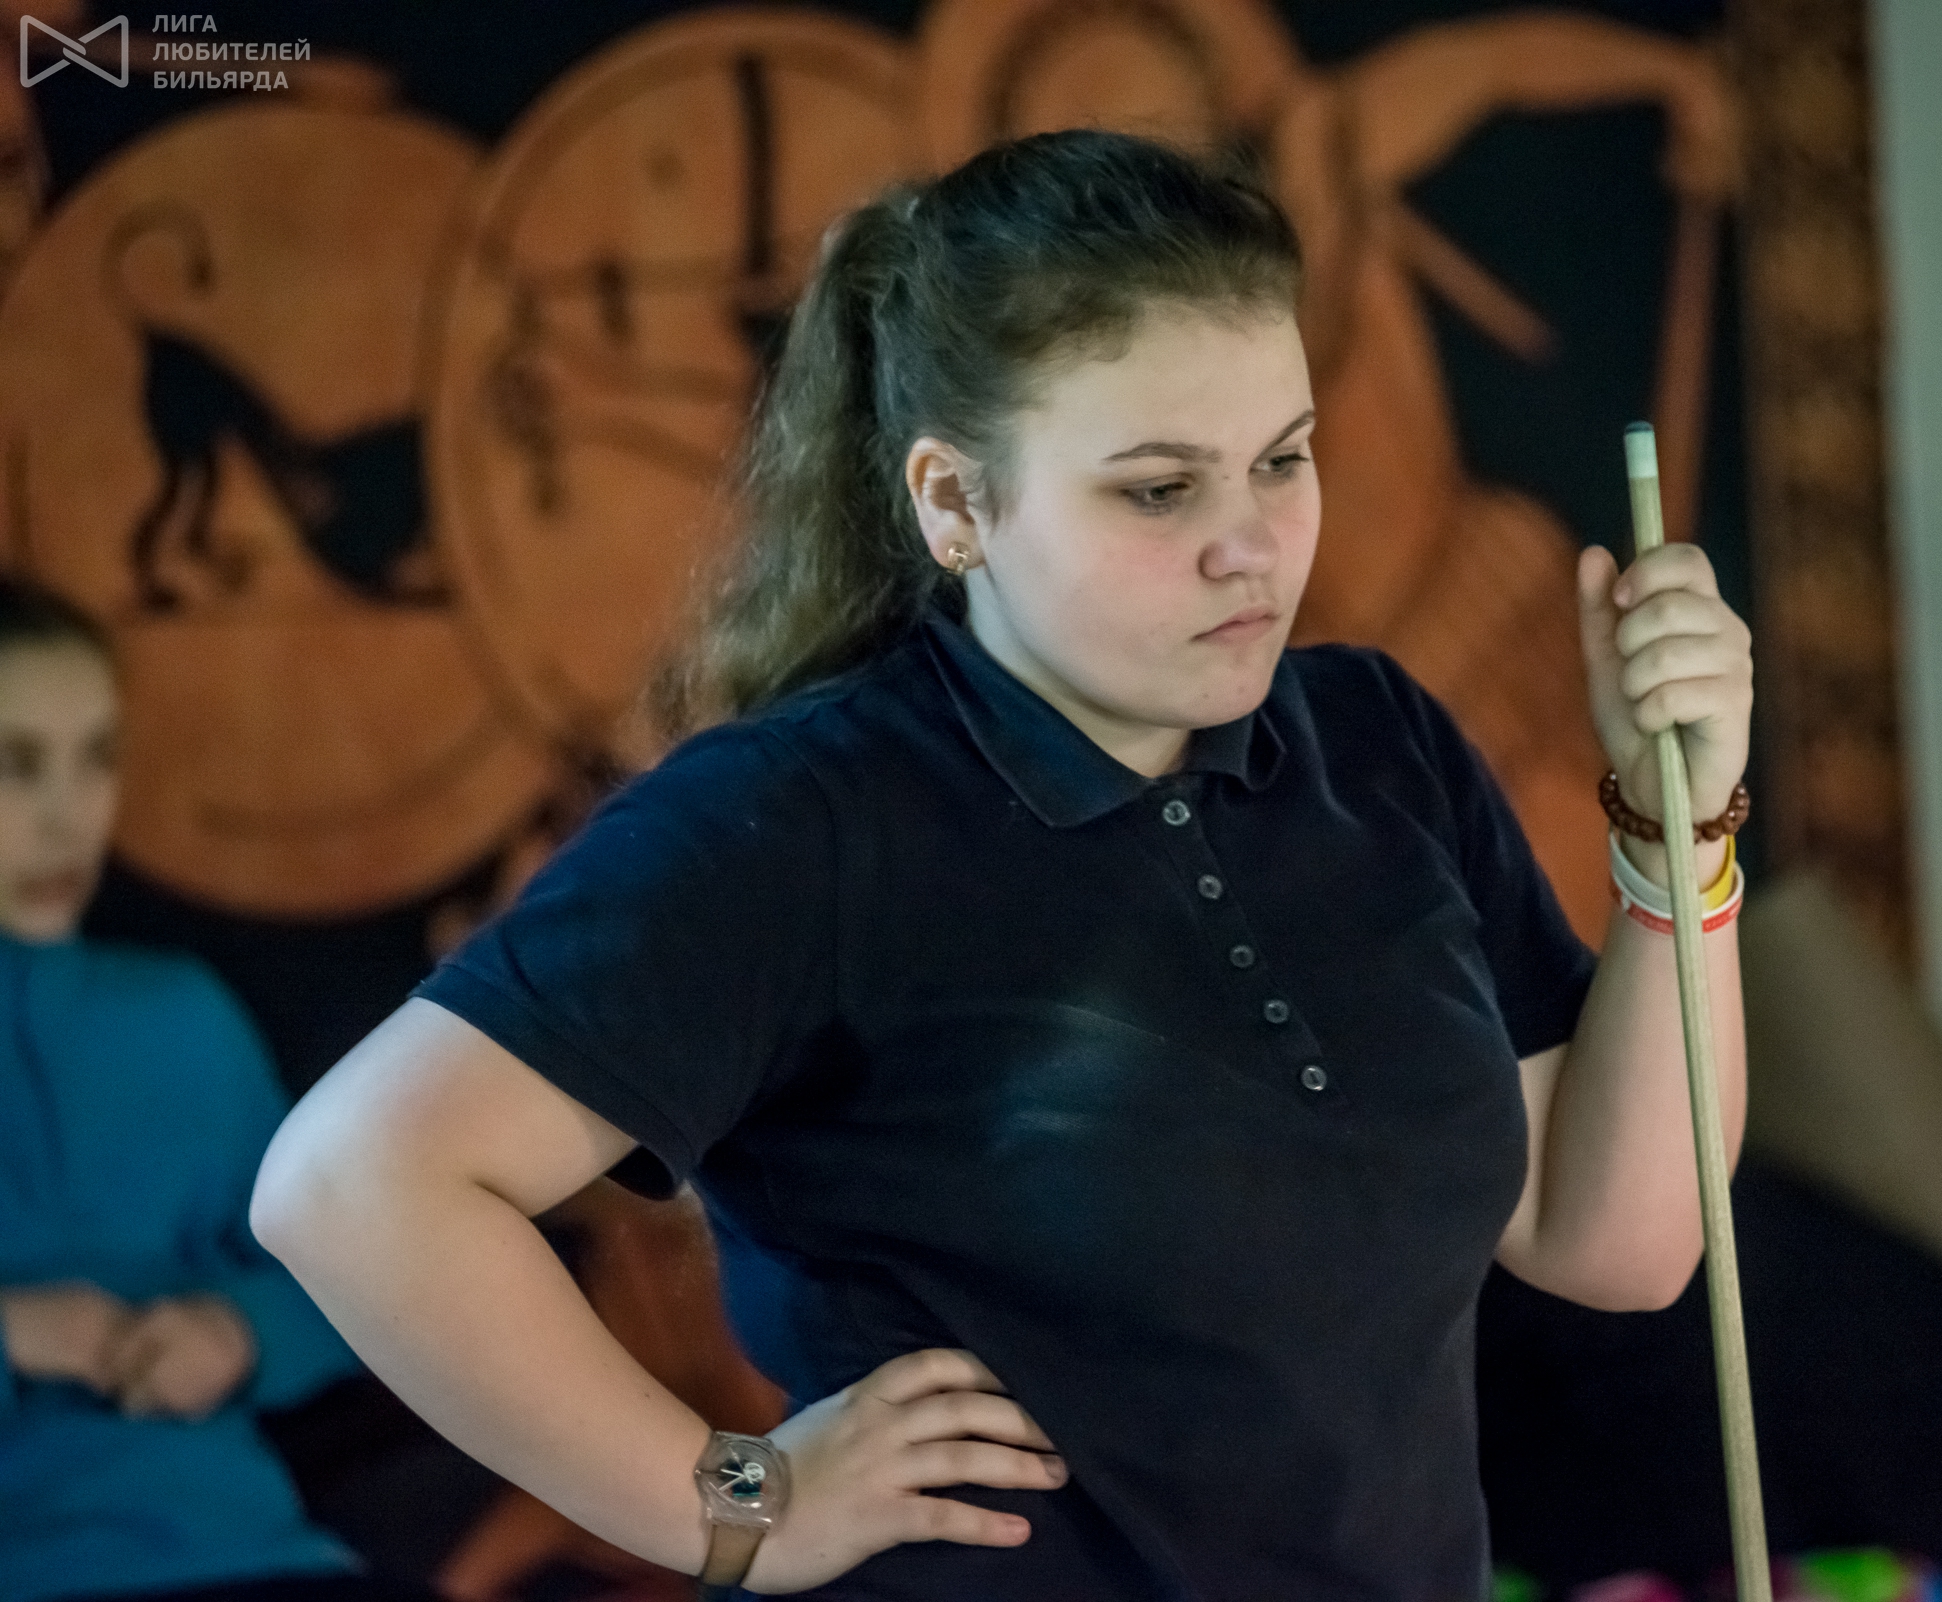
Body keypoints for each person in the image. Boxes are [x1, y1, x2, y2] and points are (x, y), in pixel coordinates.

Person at [252, 130, 1755, 1600]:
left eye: (1282, 460)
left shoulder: (1377, 742)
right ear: (956, 503)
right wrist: (740, 1501)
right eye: (1159, 489)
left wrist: (1677, 819)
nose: (1250, 543)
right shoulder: (800, 819)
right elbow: (353, 1185)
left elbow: (1616, 1237)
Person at [0, 578, 405, 1602]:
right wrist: (15, 1332)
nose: (69, 818)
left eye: (98, 758)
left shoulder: (180, 1015)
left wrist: (238, 1334)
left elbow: (341, 1281)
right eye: (16, 765)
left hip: (254, 1553)